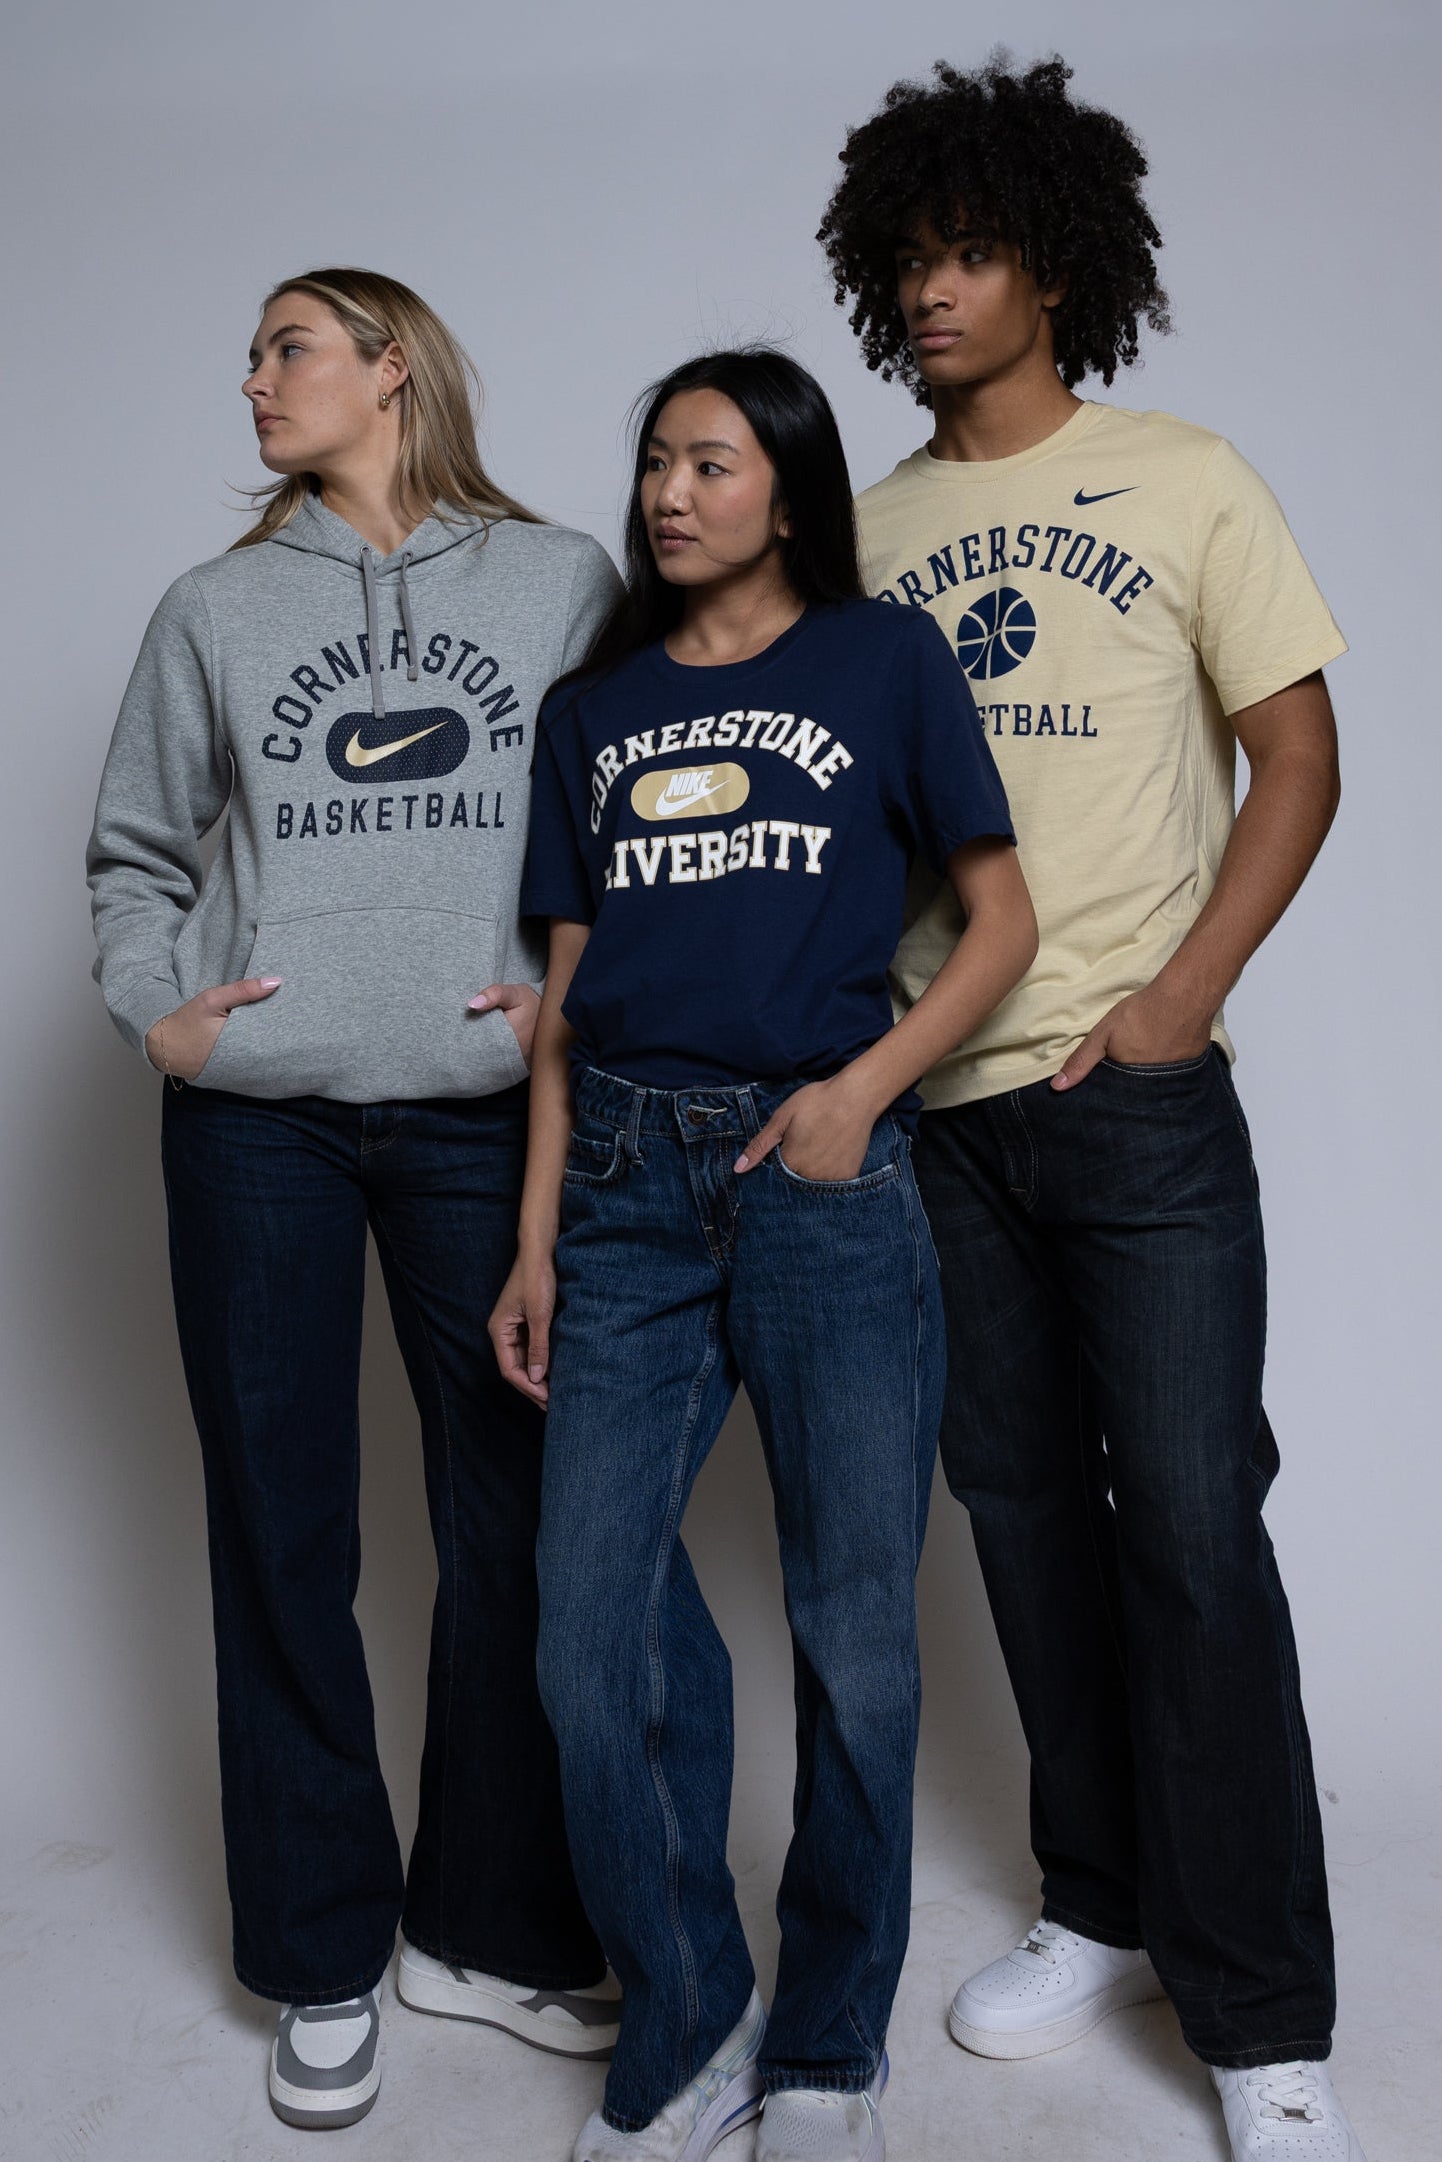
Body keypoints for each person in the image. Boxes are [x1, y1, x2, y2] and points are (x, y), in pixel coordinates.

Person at [820, 53, 1364, 2162]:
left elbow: (1295, 753)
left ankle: (1263, 2010)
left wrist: (1179, 998)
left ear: (1053, 256)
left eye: (964, 247)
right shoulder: (861, 528)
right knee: (1025, 1521)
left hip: (1133, 1106)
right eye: (903, 258)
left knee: (1197, 1535)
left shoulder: (1186, 477)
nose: (931, 289)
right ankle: (1103, 1901)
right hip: (935, 1109)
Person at [86, 267, 624, 2130]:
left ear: (389, 368)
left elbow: (634, 809)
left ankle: (481, 1924)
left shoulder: (557, 581)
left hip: (488, 1119)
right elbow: (138, 847)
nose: (248, 381)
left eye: (284, 347)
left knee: (518, 1519)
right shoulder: (215, 607)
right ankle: (323, 1948)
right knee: (281, 1527)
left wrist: (586, 987)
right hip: (265, 1132)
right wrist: (163, 1018)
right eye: (247, 353)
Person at [488, 346, 1036, 2162]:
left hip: (818, 1168)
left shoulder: (883, 664)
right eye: (653, 460)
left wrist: (858, 1092)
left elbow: (999, 922)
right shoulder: (593, 708)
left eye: (709, 463)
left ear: (788, 493)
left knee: (853, 1637)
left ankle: (824, 2046)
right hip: (628, 1180)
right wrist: (539, 1235)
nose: (666, 491)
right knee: (581, 1635)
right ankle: (695, 2005)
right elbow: (564, 1003)